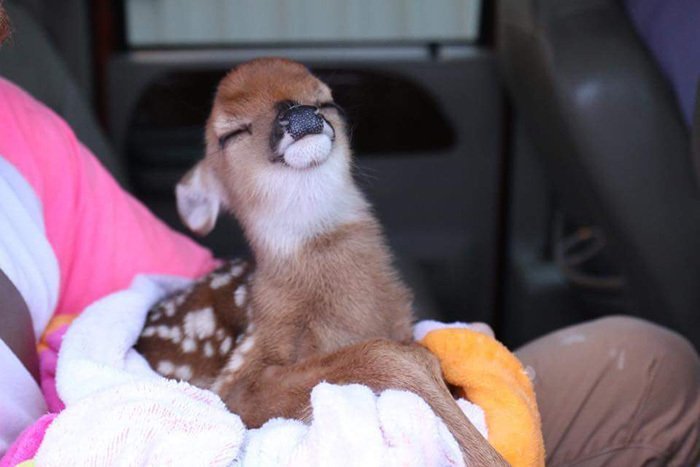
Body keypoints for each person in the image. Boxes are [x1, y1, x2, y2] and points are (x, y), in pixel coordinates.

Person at [0, 7, 697, 466]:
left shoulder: (17, 132)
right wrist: (391, 371)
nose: (300, 121)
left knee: (648, 362)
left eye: (319, 104)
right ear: (206, 189)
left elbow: (186, 286)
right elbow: (226, 392)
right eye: (242, 132)